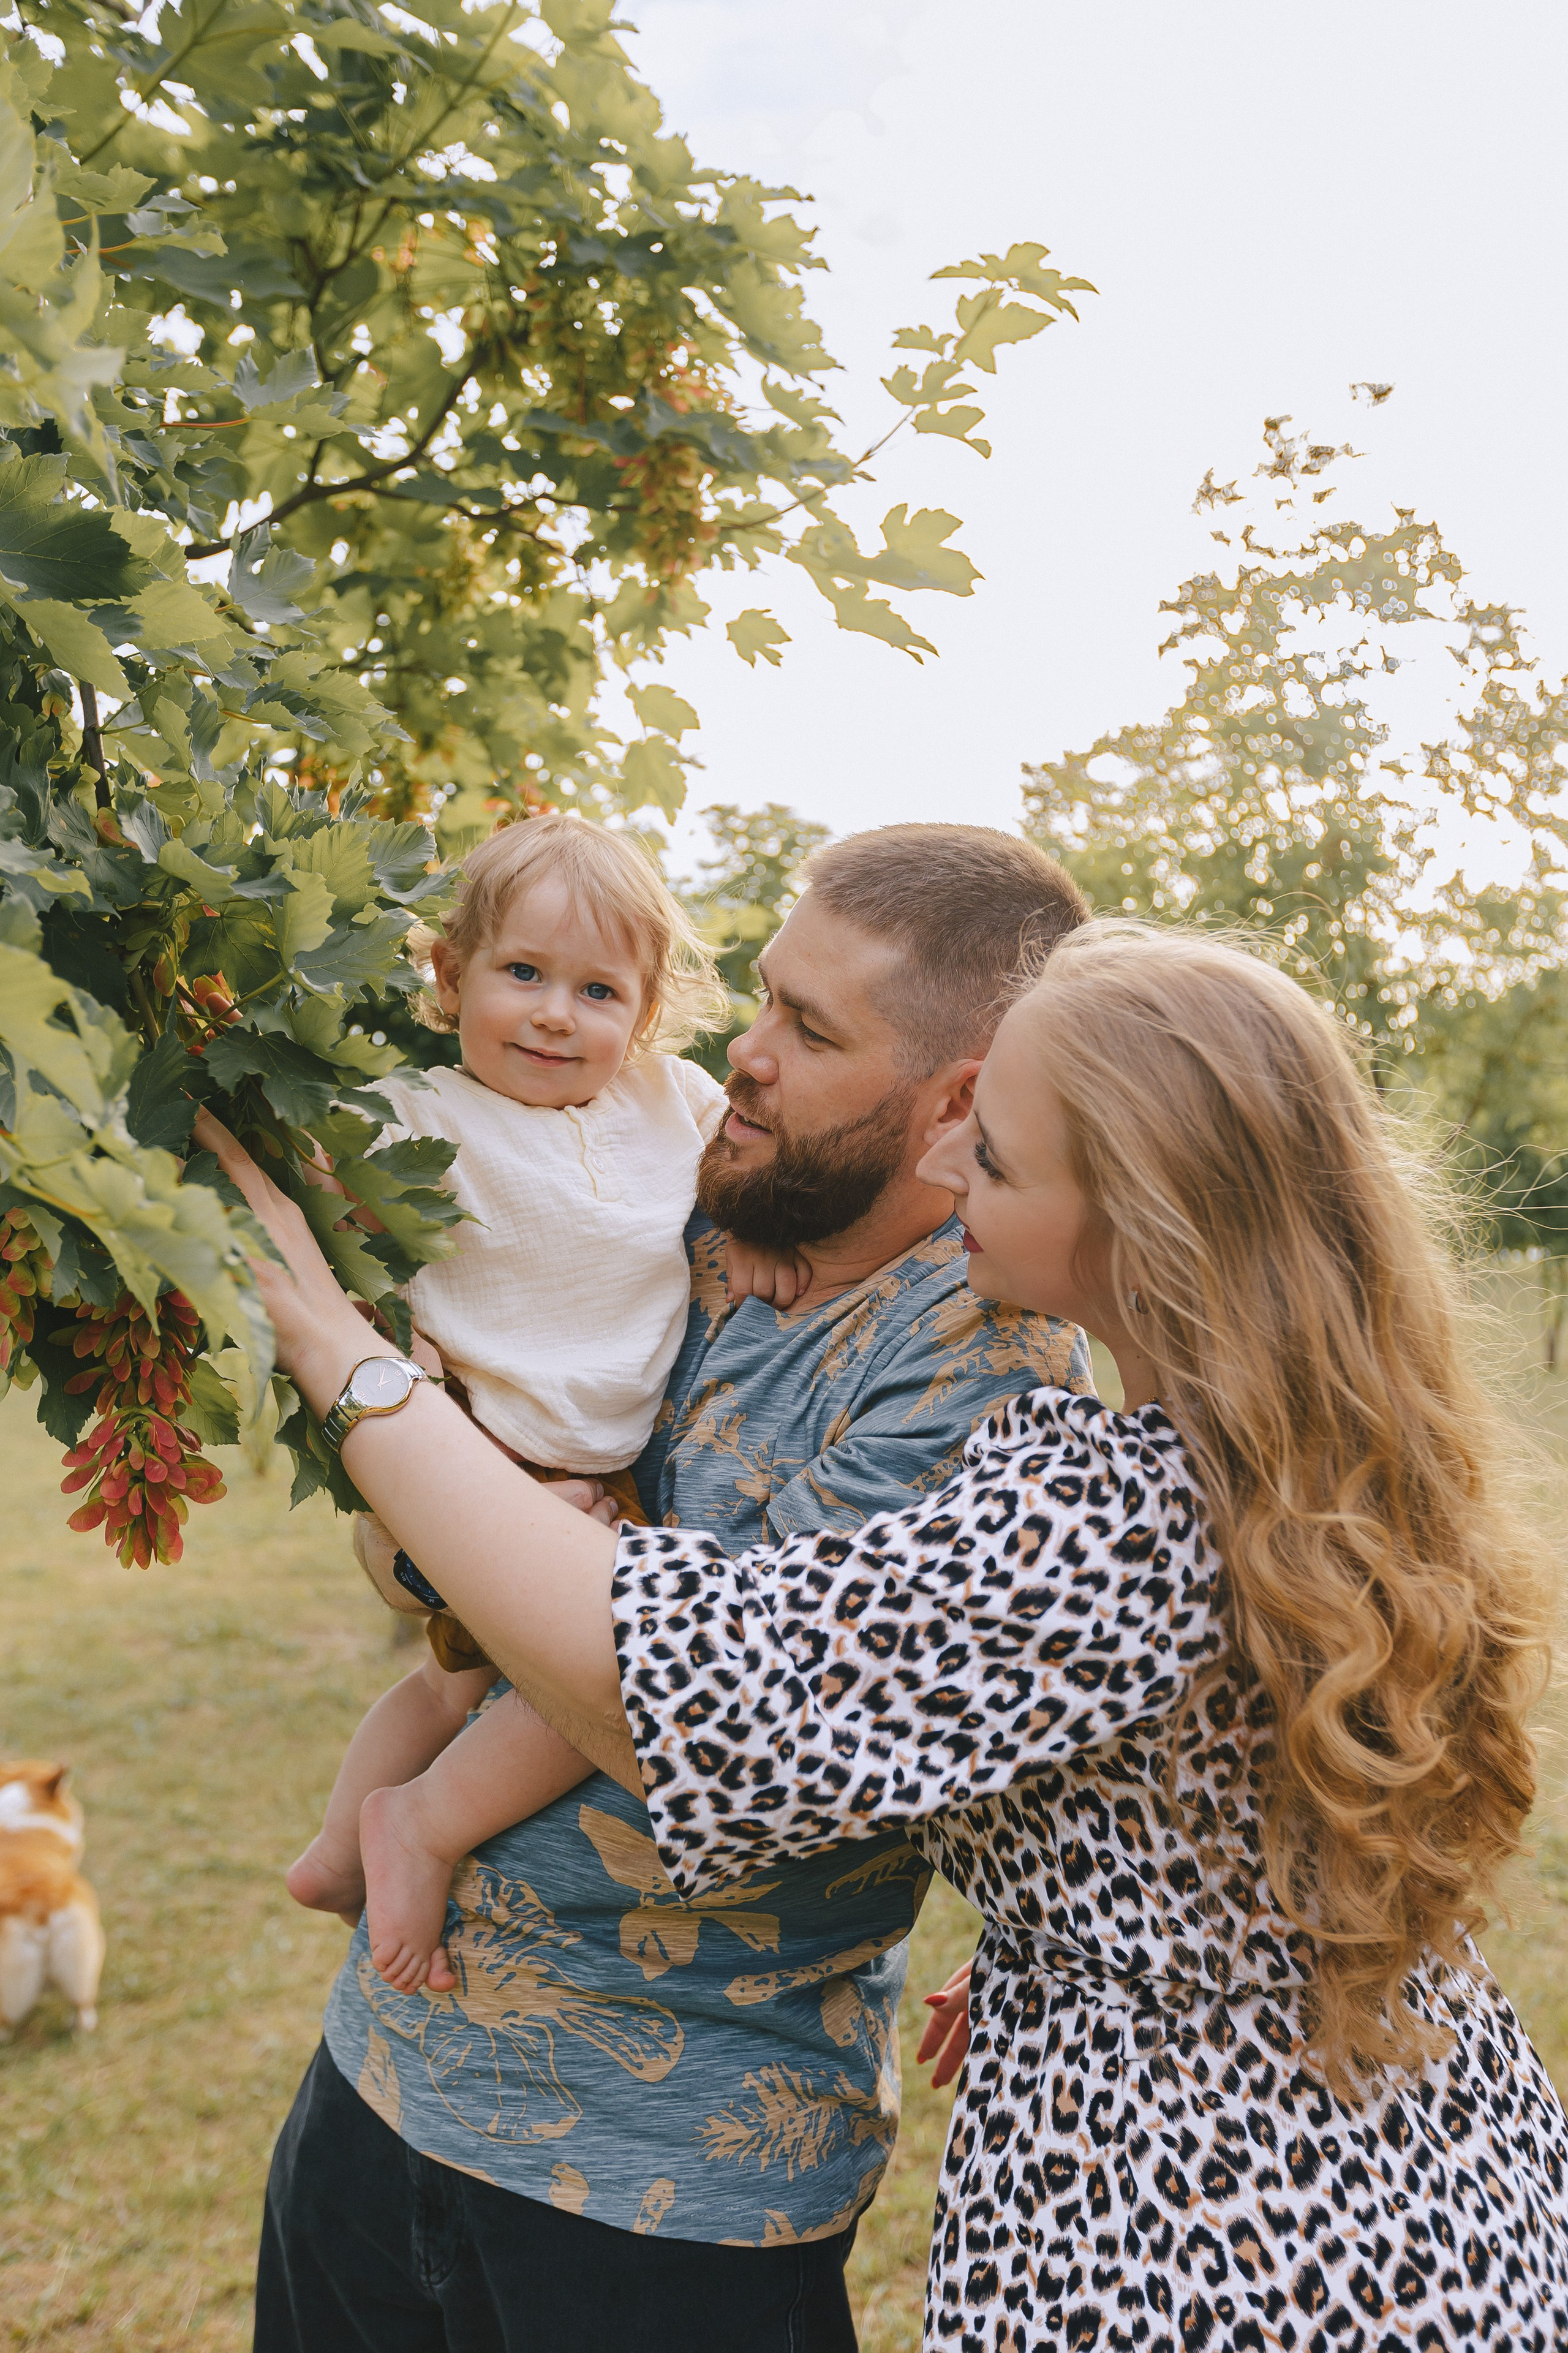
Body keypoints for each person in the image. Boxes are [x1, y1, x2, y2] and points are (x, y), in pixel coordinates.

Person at [209, 915, 1568, 2352]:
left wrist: (339, 1354)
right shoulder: (1295, 1454)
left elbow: (692, 1681)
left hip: (1215, 2247)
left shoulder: (1110, 1506)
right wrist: (1090, 1935)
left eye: (995, 1156)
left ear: (1144, 1224)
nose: (945, 1163)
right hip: (1414, 2175)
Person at [249, 823, 1093, 2351]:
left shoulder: (986, 1371)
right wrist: (436, 1530)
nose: (740, 1054)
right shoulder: (678, 1211)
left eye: (806, 1029)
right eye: (759, 996)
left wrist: (381, 1410)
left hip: (663, 2192)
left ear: (954, 1102)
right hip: (384, 2081)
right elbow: (412, 1553)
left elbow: (699, 1728)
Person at [284, 812, 799, 1995]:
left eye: (598, 990)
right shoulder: (420, 1113)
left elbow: (749, 1164)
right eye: (522, 973)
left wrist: (760, 1226)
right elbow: (311, 1172)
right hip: (474, 1458)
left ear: (647, 1011)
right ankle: (414, 1825)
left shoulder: (668, 1100)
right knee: (591, 1682)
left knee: (467, 1683)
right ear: (450, 975)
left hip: (603, 1465)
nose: (557, 1014)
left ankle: (343, 1845)